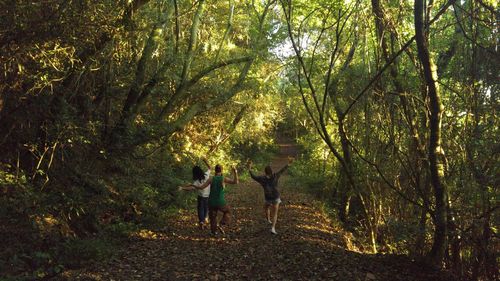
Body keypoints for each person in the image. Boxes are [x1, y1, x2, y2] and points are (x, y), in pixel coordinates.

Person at [247, 157, 293, 234]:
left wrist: (249, 168)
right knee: (275, 214)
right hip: (275, 197)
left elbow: (253, 176)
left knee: (266, 207)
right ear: (271, 171)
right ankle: (273, 228)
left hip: (268, 197)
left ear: (265, 172)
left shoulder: (262, 178)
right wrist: (289, 164)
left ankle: (268, 219)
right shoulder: (275, 175)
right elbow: (282, 170)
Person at [195, 164, 238, 235]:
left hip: (211, 202)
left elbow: (201, 187)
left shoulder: (211, 179)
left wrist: (193, 185)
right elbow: (235, 182)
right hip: (220, 202)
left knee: (213, 217)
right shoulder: (223, 178)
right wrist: (235, 172)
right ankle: (221, 224)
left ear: (215, 170)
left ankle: (214, 232)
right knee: (228, 211)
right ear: (222, 170)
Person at [178, 158, 211, 229]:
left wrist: (182, 188)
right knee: (206, 208)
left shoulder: (196, 181)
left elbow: (191, 188)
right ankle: (205, 219)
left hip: (201, 197)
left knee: (200, 209)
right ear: (201, 171)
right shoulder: (206, 175)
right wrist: (205, 161)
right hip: (207, 196)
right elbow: (209, 167)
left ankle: (201, 222)